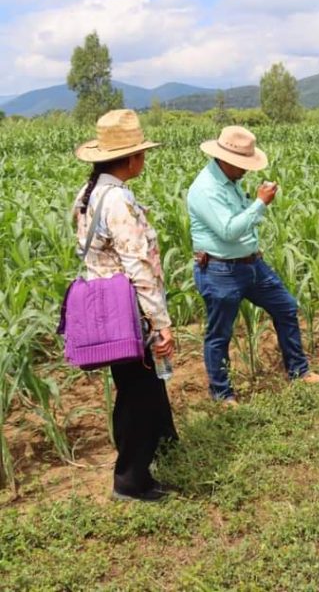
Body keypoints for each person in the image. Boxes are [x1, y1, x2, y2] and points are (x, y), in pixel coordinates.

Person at [72, 109, 178, 502]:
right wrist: (159, 322)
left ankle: (160, 447)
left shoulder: (89, 193)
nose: (143, 159)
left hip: (106, 307)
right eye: (141, 153)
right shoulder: (117, 199)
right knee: (140, 393)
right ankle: (131, 480)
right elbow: (138, 264)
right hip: (129, 311)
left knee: (135, 386)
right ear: (131, 159)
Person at [188, 126, 319, 404]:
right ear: (225, 159)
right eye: (242, 164)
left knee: (286, 307)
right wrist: (260, 203)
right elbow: (229, 231)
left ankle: (299, 371)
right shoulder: (206, 189)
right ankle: (222, 394)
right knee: (220, 334)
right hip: (220, 270)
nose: (246, 170)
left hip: (251, 265)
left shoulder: (231, 180)